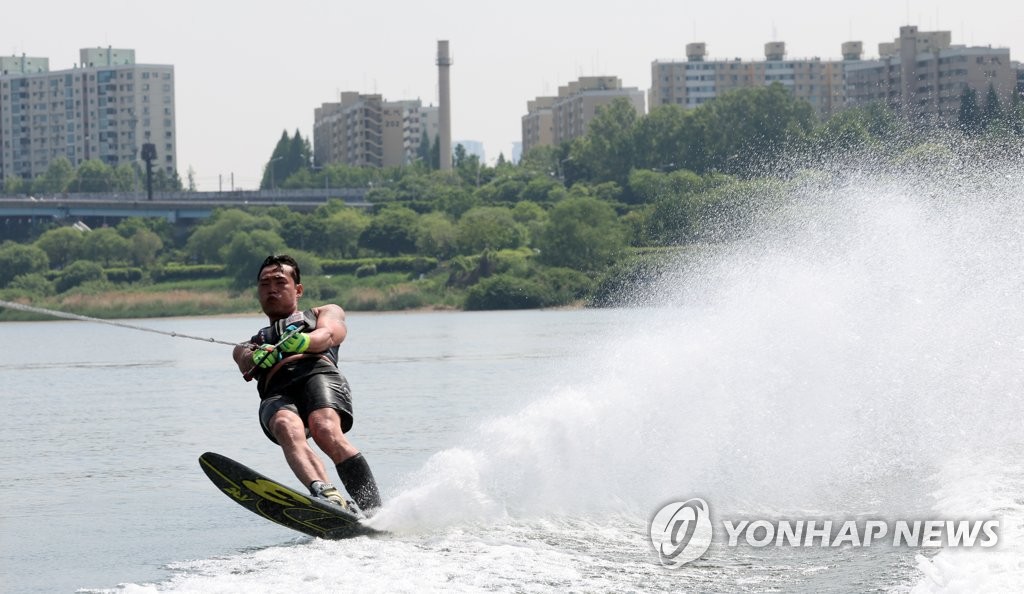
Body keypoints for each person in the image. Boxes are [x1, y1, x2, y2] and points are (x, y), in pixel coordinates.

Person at [232, 254, 381, 515]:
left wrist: (305, 342)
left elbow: (330, 334)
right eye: (264, 284)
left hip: (317, 374)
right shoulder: (250, 343)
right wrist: (255, 356)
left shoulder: (323, 312)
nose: (272, 289)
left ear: (298, 289)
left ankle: (374, 510)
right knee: (284, 425)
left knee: (323, 428)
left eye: (280, 282)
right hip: (277, 390)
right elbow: (243, 360)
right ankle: (327, 495)